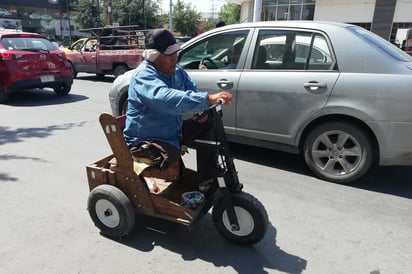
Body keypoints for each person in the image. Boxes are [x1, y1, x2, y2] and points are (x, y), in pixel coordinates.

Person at [123, 28, 233, 183]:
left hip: (172, 133)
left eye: (176, 53)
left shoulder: (176, 71)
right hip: (149, 141)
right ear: (155, 57)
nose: (175, 58)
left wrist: (200, 110)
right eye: (170, 55)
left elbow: (190, 88)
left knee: (210, 122)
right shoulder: (144, 76)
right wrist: (208, 99)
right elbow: (165, 98)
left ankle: (207, 178)